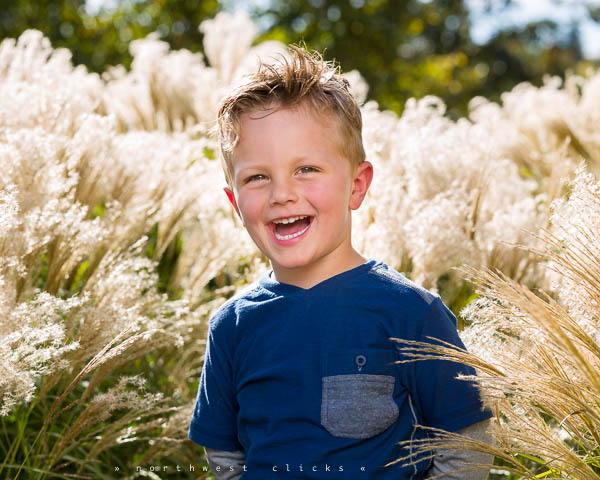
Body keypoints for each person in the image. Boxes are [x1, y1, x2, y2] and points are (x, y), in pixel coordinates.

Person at [187, 45, 494, 479]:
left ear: (356, 185)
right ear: (235, 203)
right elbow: (224, 457)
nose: (282, 194)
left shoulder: (412, 314)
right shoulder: (232, 327)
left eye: (306, 169)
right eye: (258, 177)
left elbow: (467, 447)